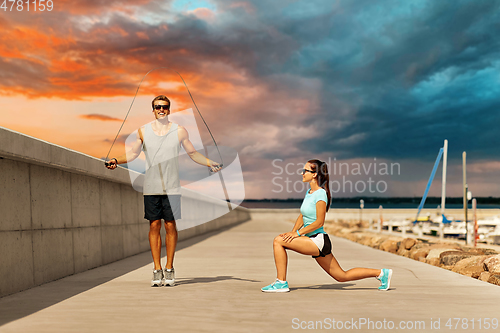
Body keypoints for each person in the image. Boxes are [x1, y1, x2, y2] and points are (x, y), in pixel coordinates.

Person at [105, 95, 222, 287]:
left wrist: (210, 163)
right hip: (151, 187)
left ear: (169, 109)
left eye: (165, 107)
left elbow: (192, 153)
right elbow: (133, 153)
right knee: (153, 226)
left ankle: (169, 269)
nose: (161, 109)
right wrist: (116, 160)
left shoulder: (179, 131)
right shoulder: (143, 131)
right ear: (153, 109)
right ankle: (156, 269)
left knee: (170, 225)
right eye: (157, 106)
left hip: (172, 186)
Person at [261, 159, 392, 292]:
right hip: (312, 239)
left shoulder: (321, 194)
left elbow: (319, 222)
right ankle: (381, 273)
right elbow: (303, 216)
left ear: (314, 174)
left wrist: (297, 234)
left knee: (278, 241)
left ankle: (281, 283)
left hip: (318, 240)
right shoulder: (309, 193)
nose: (302, 173)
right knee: (342, 276)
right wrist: (292, 232)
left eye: (305, 170)